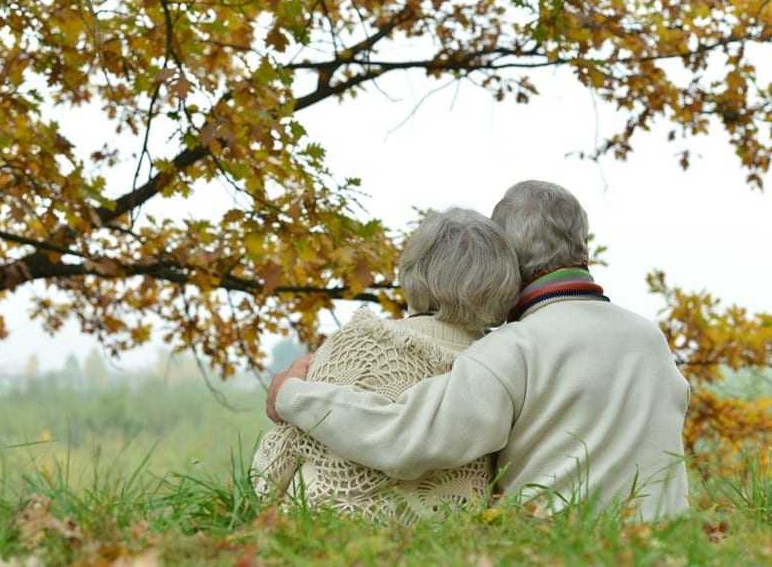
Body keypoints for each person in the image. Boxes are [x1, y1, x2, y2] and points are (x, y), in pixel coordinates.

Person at [266, 180, 691, 520]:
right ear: (581, 243)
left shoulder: (516, 347)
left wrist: (292, 395)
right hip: (660, 543)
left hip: (557, 545)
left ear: (508, 260)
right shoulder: (649, 337)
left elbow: (409, 438)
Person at [252, 208, 521, 522]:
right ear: (504, 286)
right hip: (441, 546)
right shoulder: (501, 368)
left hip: (320, 532)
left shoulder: (357, 343)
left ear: (412, 271)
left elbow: (276, 464)